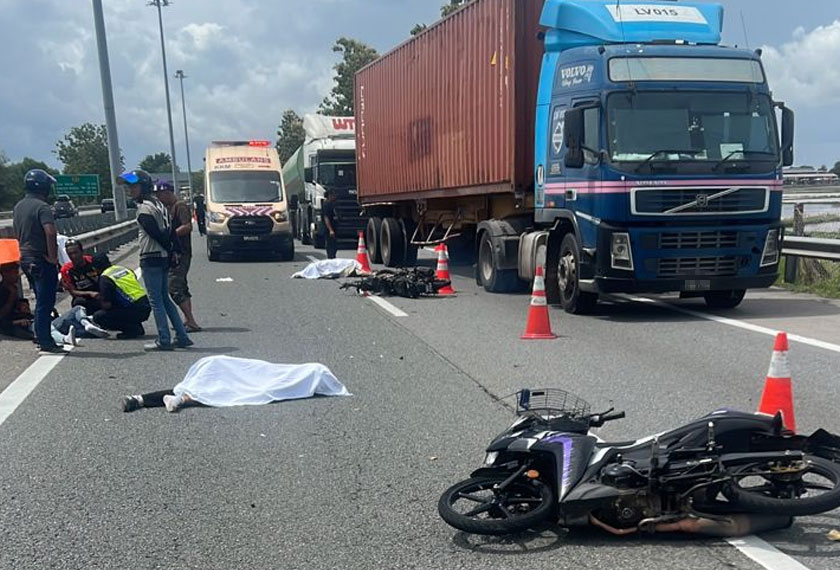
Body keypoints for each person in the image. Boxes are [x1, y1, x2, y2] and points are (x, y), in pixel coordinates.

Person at [119, 170, 192, 351]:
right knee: (165, 299)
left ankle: (164, 339)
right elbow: (171, 232)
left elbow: (157, 235)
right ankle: (182, 336)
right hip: (163, 257)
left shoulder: (145, 208)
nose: (131, 191)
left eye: (134, 187)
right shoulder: (159, 205)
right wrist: (173, 251)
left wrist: (169, 248)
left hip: (151, 257)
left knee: (156, 301)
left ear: (143, 187)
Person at [13, 169, 62, 353]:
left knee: (40, 299)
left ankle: (41, 336)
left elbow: (16, 231)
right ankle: (45, 341)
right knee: (45, 302)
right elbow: (50, 231)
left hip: (25, 257)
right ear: (43, 187)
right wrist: (53, 256)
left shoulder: (19, 206)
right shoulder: (42, 207)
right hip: (40, 258)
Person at [154, 181, 201, 331]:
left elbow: (187, 226)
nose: (159, 198)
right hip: (173, 252)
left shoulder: (180, 206)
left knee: (174, 287)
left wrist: (170, 236)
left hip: (181, 253)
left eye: (160, 195)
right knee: (181, 285)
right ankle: (188, 319)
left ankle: (192, 321)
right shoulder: (166, 208)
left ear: (167, 193)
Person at [88, 254, 151, 339]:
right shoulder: (122, 268)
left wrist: (98, 301)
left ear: (95, 268)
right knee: (121, 305)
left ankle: (132, 329)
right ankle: (135, 325)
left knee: (99, 317)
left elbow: (107, 305)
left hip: (135, 309)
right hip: (145, 303)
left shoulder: (105, 278)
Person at [59, 239, 103, 313]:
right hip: (84, 296)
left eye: (76, 253)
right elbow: (73, 291)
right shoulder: (66, 270)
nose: (74, 256)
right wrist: (89, 293)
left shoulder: (93, 261)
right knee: (77, 302)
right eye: (70, 254)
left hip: (100, 293)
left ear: (82, 251)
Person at [0, 262, 34, 340]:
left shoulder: (13, 287)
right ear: (5, 273)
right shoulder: (2, 290)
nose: (17, 276)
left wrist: (23, 305)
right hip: (8, 323)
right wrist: (12, 295)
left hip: (21, 318)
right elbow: (2, 315)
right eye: (14, 273)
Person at [322, 189, 338, 259]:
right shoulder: (326, 205)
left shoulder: (333, 204)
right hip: (329, 229)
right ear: (329, 195)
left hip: (335, 227)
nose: (334, 196)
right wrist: (330, 230)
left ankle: (333, 257)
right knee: (330, 245)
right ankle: (330, 258)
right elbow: (326, 218)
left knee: (334, 246)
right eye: (333, 195)